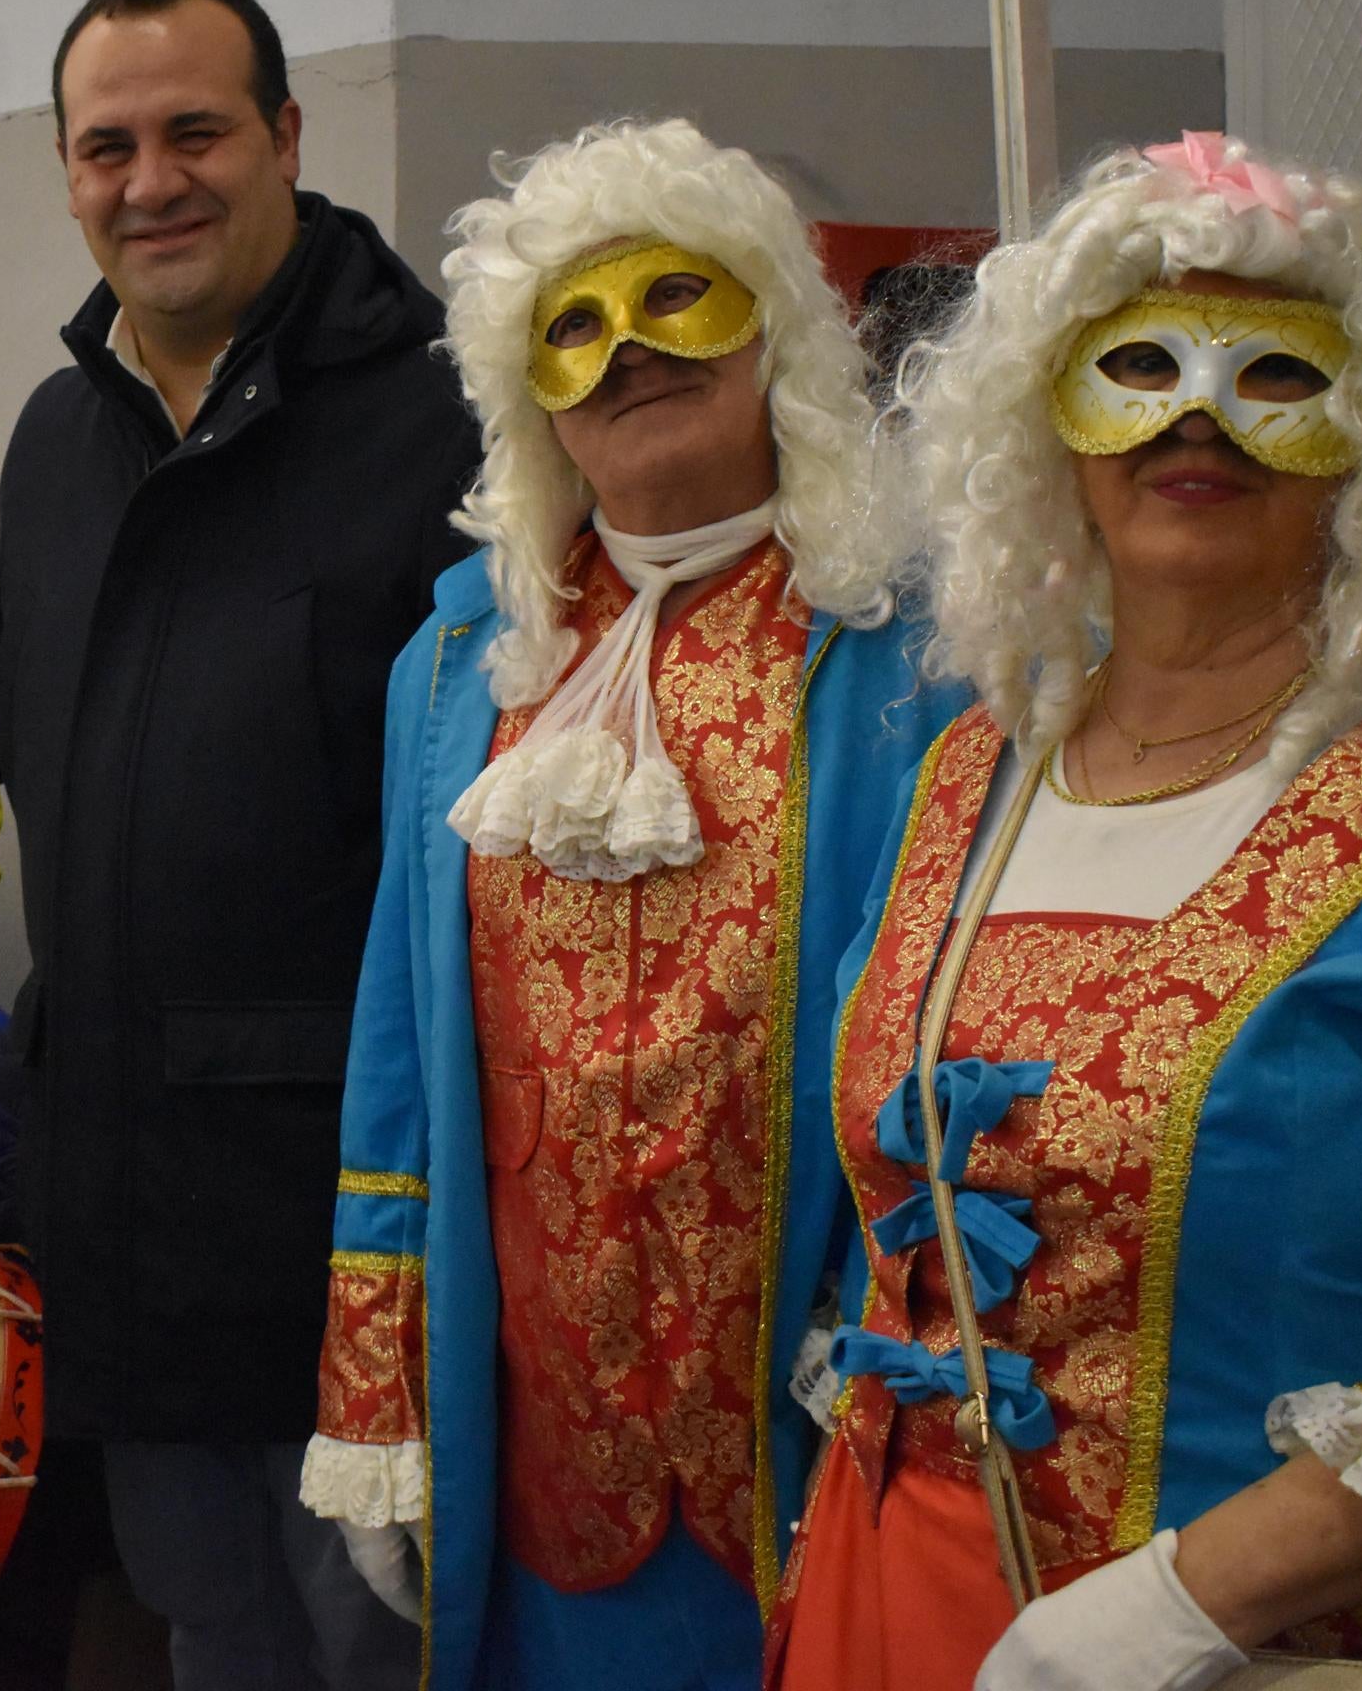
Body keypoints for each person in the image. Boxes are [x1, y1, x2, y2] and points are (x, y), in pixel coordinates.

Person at [770, 134, 1362, 1690]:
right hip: (896, 1601)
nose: (1199, 417)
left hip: (1279, 1643)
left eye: (1277, 379)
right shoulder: (971, 775)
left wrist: (1178, 1606)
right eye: (1136, 366)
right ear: (1043, 430)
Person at [299, 121, 957, 1690]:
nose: (627, 355)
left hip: (820, 1419)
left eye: (682, 302)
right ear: (528, 394)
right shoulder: (461, 669)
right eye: (573, 328)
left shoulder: (918, 657)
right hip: (541, 1434)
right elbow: (397, 1055)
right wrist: (376, 1387)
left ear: (779, 341)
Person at [0, 0, 479, 1691]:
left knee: (374, 1655)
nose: (150, 181)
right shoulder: (60, 439)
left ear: (285, 135)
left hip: (350, 1239)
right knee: (209, 1639)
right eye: (106, 146)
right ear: (65, 174)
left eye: (196, 131)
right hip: (126, 1234)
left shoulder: (447, 421)